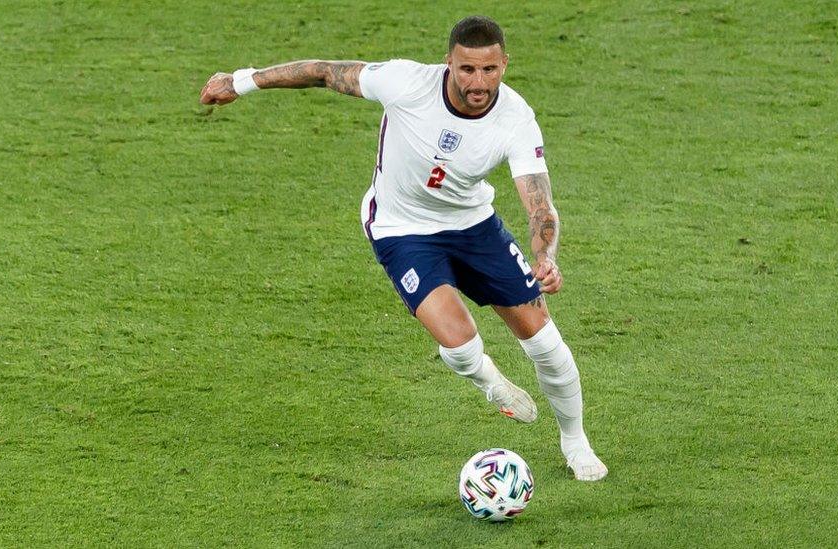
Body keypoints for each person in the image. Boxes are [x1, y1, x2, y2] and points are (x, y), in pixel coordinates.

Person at [201, 15, 607, 481]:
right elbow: (323, 71)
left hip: (473, 225)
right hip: (401, 228)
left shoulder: (516, 117)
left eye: (490, 70)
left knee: (545, 342)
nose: (479, 83)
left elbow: (540, 206)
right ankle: (491, 383)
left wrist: (546, 258)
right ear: (448, 63)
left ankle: (575, 442)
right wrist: (241, 81)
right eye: (467, 70)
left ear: (504, 64)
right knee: (459, 345)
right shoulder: (405, 83)